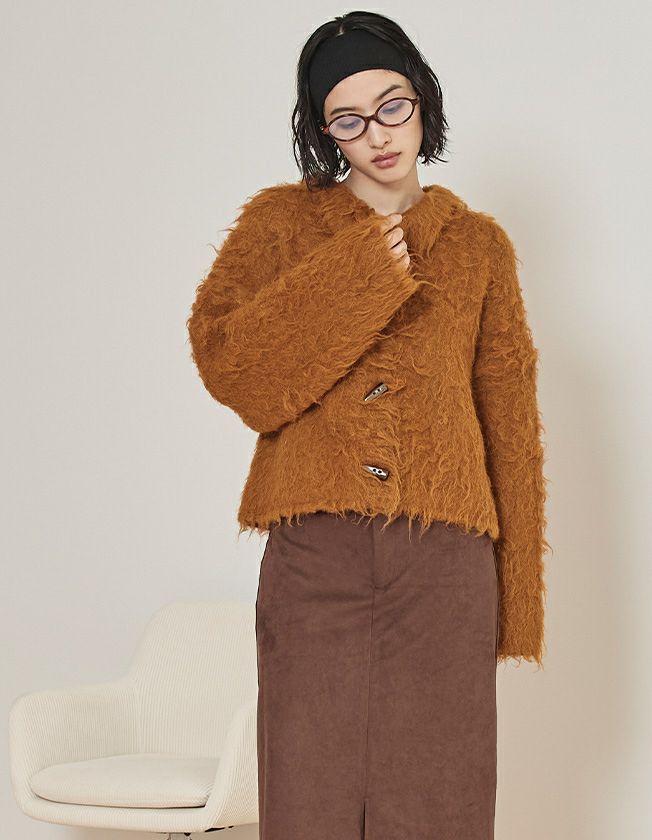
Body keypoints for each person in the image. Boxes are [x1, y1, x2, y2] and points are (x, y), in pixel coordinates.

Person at [186, 10, 550, 839]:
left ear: (422, 101)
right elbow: (232, 370)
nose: (378, 134)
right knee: (307, 797)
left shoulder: (478, 248)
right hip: (316, 557)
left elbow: (510, 426)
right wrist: (357, 273)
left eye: (392, 106)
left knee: (443, 798)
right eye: (347, 120)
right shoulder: (279, 226)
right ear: (324, 133)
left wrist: (517, 598)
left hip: (445, 564)